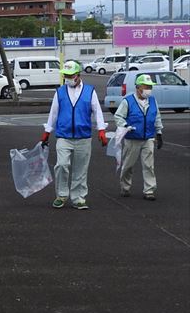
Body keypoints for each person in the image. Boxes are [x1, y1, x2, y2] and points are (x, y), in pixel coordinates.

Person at [41, 60, 108, 210]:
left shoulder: (90, 91)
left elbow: (97, 112)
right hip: (64, 136)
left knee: (80, 169)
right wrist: (47, 132)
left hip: (83, 136)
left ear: (78, 75)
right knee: (62, 165)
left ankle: (78, 198)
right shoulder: (60, 92)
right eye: (65, 75)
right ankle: (61, 195)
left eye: (70, 75)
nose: (68, 77)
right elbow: (53, 113)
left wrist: (101, 130)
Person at [114, 74, 163, 200]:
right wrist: (125, 125)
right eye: (146, 86)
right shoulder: (128, 101)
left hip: (148, 138)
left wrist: (159, 133)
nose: (148, 89)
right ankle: (125, 187)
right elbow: (118, 116)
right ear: (138, 87)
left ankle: (149, 190)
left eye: (150, 87)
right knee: (128, 165)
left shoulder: (153, 101)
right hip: (132, 138)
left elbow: (156, 116)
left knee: (149, 165)